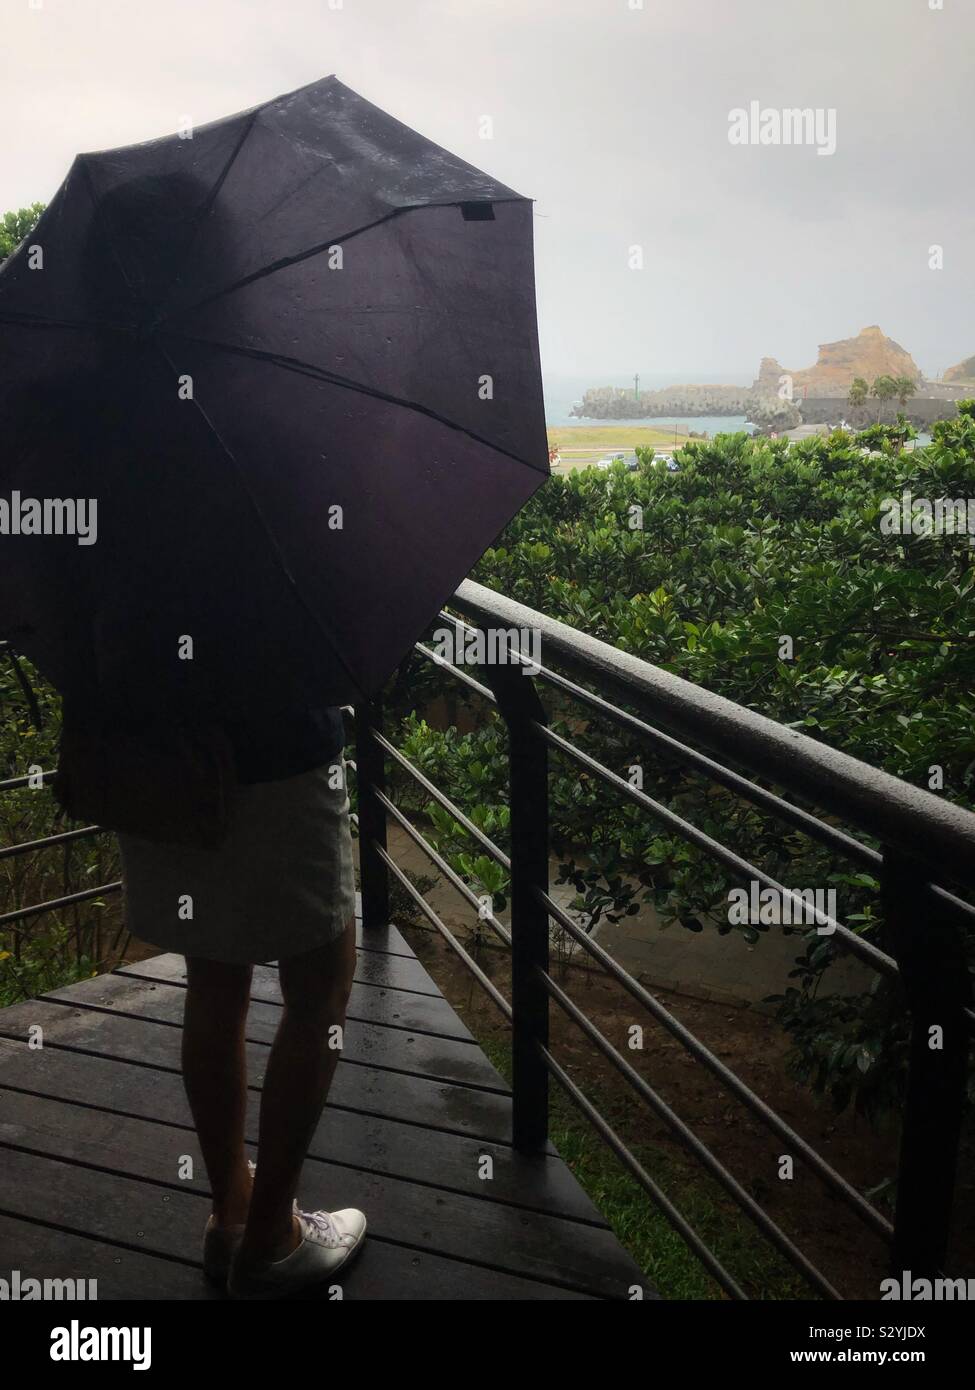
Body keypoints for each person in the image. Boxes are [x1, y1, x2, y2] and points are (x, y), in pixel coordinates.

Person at [2, 171, 367, 1298]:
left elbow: (54, 593)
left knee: (215, 977)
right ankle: (271, 1234)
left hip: (155, 752)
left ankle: (227, 1206)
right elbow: (329, 585)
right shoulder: (253, 410)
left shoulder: (70, 417)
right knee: (320, 984)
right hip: (273, 741)